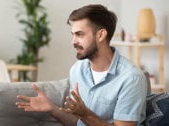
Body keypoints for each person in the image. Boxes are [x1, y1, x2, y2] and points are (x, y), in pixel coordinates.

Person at [16, 4, 147, 126]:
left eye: (79, 34)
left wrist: (85, 114)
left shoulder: (131, 78)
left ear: (101, 35)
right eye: (73, 35)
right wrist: (51, 108)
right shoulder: (77, 70)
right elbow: (78, 122)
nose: (73, 41)